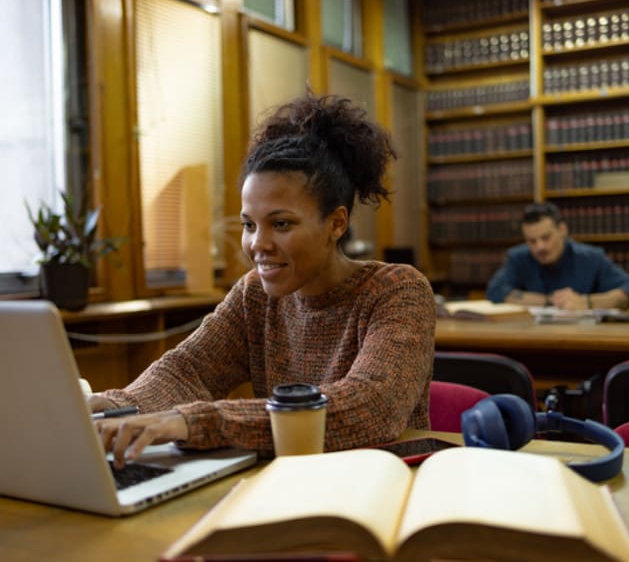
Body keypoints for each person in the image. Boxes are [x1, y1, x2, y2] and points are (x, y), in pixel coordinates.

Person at [90, 92, 437, 467]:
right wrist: (112, 407)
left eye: (281, 224)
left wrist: (195, 422)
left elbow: (373, 407)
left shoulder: (398, 290)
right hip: (284, 487)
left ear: (336, 223)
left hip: (377, 491)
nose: (258, 244)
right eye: (249, 225)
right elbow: (187, 370)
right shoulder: (253, 294)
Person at [486, 202, 629, 310]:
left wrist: (587, 302)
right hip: (532, 337)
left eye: (546, 238)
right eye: (531, 241)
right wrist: (549, 301)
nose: (539, 247)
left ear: (562, 230)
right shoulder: (518, 257)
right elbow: (495, 290)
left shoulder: (591, 257)